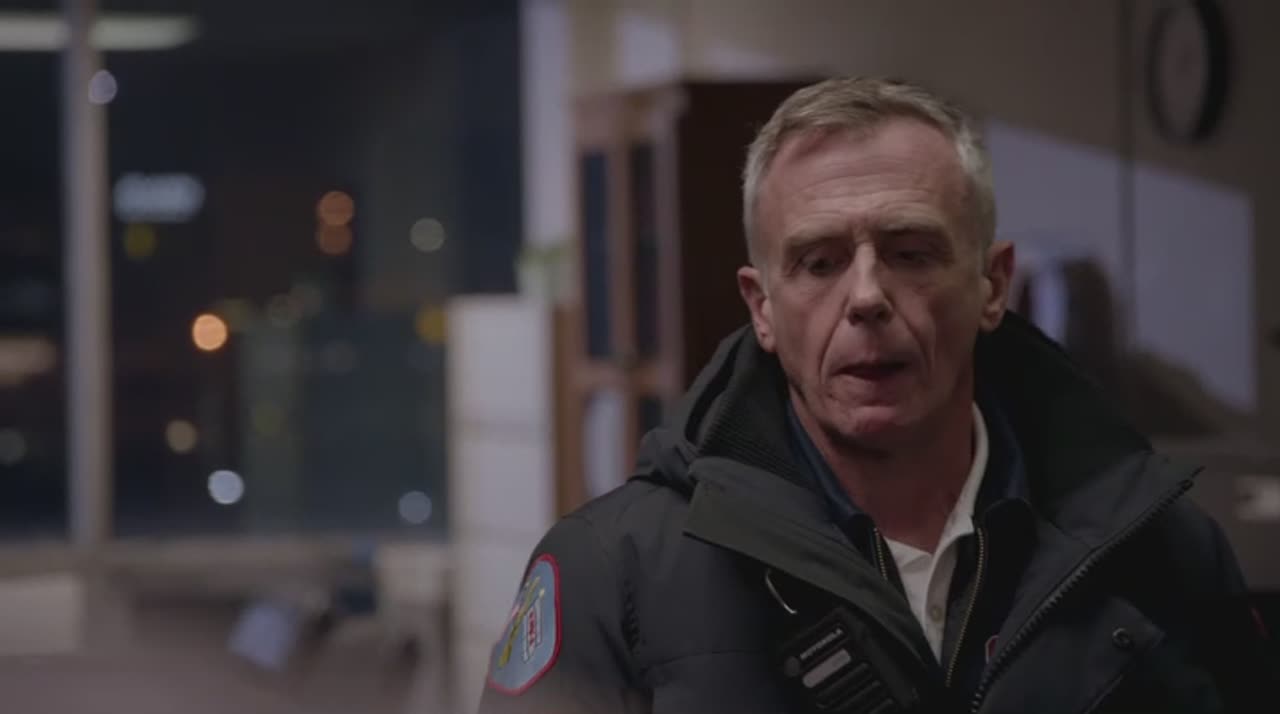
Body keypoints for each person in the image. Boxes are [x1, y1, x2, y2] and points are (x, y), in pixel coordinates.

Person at [476, 77, 1277, 714]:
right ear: (762, 308)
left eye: (911, 252)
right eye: (820, 262)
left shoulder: (1158, 548)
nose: (866, 297)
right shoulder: (610, 575)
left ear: (993, 284)